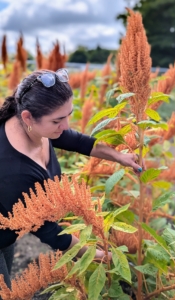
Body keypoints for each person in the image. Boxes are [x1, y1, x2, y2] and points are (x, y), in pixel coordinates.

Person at [0, 69, 144, 289]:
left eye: (68, 115)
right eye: (58, 120)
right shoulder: (14, 171)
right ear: (28, 116)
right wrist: (101, 256)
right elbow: (51, 233)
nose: (66, 125)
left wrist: (119, 156)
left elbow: (77, 141)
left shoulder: (31, 126)